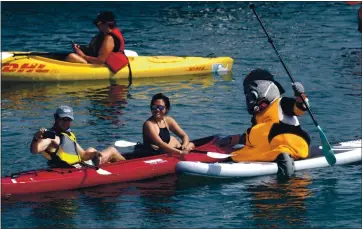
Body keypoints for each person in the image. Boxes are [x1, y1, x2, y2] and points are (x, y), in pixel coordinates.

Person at [220, 69, 311, 179]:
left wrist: (300, 98)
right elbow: (257, 138)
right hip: (269, 149)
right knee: (244, 152)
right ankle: (233, 159)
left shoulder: (281, 103)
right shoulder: (257, 116)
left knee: (261, 132)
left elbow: (298, 109)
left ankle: (284, 158)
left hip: (289, 144)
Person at [30, 105, 126, 168]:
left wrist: (95, 154)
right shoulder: (51, 137)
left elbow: (83, 155)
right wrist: (36, 138)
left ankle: (114, 165)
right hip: (71, 170)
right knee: (112, 150)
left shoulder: (68, 134)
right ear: (56, 118)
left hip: (78, 165)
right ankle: (130, 167)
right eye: (63, 119)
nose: (66, 123)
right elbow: (34, 150)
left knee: (92, 150)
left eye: (69, 120)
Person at [136, 93, 195, 157]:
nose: (157, 110)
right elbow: (160, 144)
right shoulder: (149, 124)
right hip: (153, 154)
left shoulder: (168, 120)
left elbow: (184, 136)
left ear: (166, 109)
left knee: (190, 144)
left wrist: (184, 146)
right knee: (186, 144)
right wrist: (180, 152)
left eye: (160, 107)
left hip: (166, 151)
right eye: (154, 107)